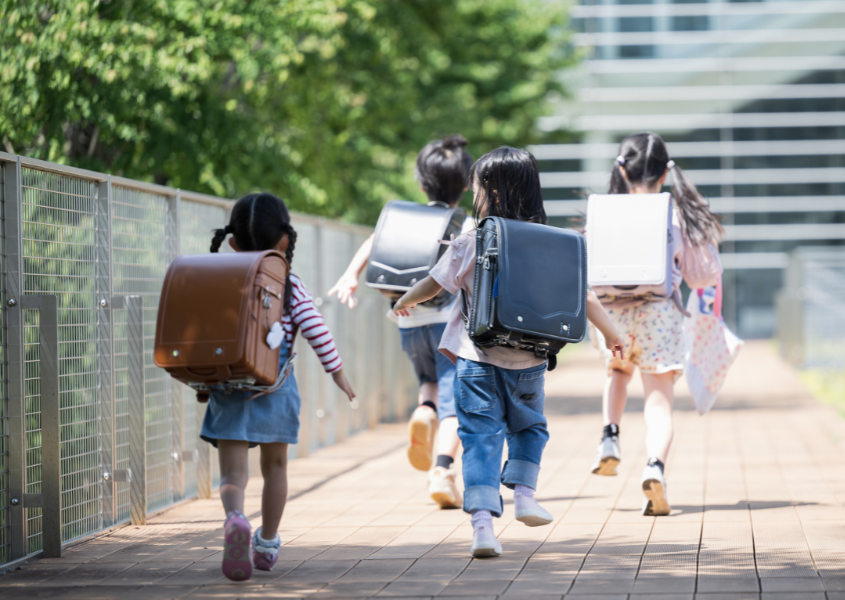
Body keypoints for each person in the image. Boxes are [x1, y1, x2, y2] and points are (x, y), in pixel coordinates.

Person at [392, 147, 625, 558]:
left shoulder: (474, 239)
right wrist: (612, 333)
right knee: (530, 428)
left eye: (479, 187)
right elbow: (583, 297)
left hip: (477, 359)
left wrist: (403, 300)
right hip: (532, 360)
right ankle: (525, 494)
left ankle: (482, 526)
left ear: (491, 193)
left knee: (480, 438)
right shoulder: (557, 244)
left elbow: (434, 283)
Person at [204, 192, 356, 581]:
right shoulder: (289, 283)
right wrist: (336, 372)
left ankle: (235, 518)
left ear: (233, 242)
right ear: (284, 240)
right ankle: (267, 543)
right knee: (275, 469)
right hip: (277, 387)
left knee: (232, 475)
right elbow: (314, 328)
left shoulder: (220, 279)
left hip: (229, 386)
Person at [328, 135, 474, 509]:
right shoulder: (465, 223)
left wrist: (350, 276)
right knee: (456, 403)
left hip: (407, 324)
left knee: (428, 383)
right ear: (465, 185)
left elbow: (374, 241)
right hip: (449, 326)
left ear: (421, 183)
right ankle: (443, 470)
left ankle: (423, 413)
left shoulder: (405, 218)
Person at [590, 132, 723, 517]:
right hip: (659, 314)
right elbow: (702, 276)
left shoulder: (605, 212)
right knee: (658, 400)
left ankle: (609, 436)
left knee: (617, 375)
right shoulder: (676, 215)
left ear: (621, 169)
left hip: (611, 313)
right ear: (666, 173)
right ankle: (655, 468)